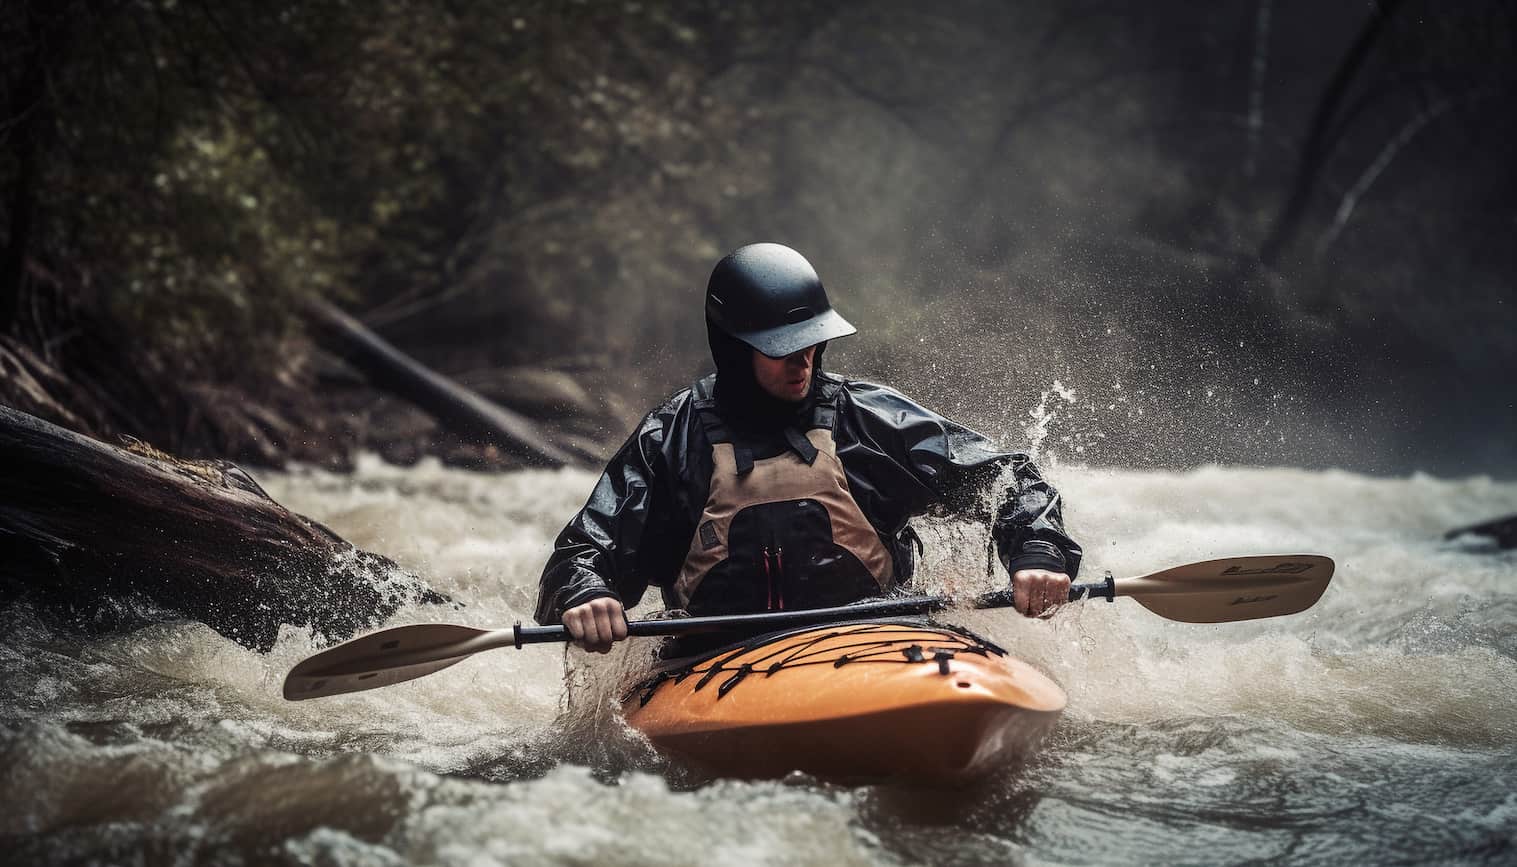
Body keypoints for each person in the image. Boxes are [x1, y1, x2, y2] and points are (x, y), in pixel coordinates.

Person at [535, 243, 1082, 652]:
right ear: (733, 348)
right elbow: (584, 550)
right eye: (782, 348)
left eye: (811, 342)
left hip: (876, 644)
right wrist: (584, 593)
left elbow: (1007, 479)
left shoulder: (866, 417)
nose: (804, 360)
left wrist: (1037, 551)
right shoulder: (670, 438)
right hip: (716, 659)